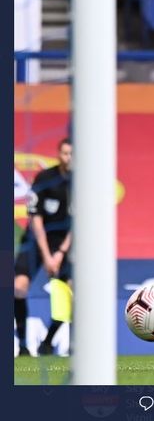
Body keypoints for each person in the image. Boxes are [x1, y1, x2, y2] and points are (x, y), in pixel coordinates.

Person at [14, 137, 72, 356]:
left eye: (72, 153)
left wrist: (60, 253)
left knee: (69, 294)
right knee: (18, 286)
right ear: (59, 154)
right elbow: (35, 219)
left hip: (63, 244)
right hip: (36, 240)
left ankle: (47, 341)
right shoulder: (45, 178)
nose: (68, 157)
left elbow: (77, 224)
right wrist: (47, 255)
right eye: (65, 153)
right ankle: (22, 345)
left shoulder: (81, 184)